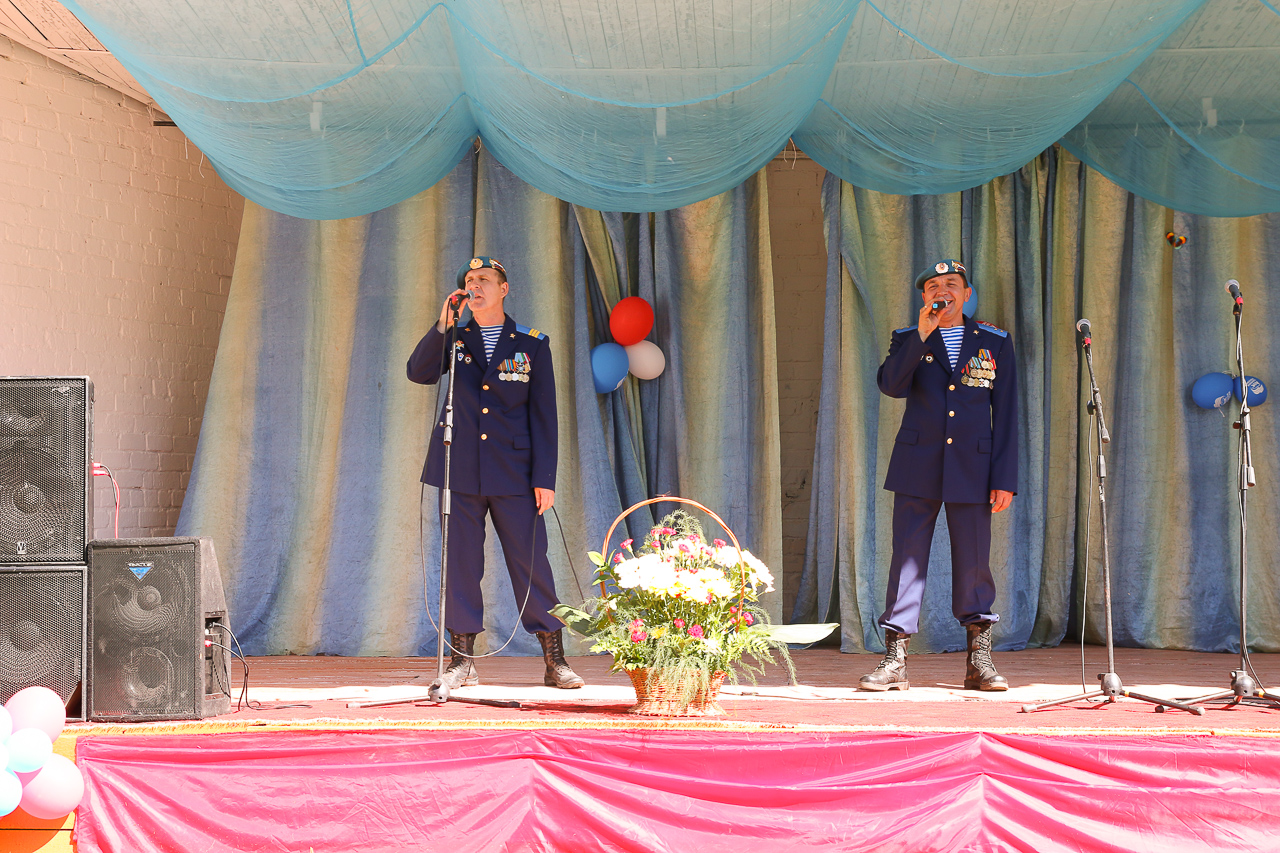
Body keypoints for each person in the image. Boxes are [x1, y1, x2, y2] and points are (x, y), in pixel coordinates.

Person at [407, 256, 584, 690]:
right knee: (462, 564)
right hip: (460, 469)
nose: (476, 286)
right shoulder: (455, 338)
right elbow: (419, 373)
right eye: (470, 280)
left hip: (515, 472)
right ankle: (462, 662)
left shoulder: (531, 344)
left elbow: (544, 416)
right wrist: (443, 323)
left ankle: (555, 660)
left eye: (484, 279)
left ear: (504, 289)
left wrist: (545, 477)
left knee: (531, 563)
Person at [859, 259, 1018, 692]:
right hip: (918, 464)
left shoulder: (995, 342)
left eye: (951, 284)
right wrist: (922, 335)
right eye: (933, 286)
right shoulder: (908, 337)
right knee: (907, 560)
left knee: (974, 561)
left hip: (974, 467)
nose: (942, 291)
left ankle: (978, 663)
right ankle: (895, 661)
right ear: (924, 297)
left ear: (966, 294)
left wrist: (1004, 477)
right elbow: (891, 386)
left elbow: (1006, 413)